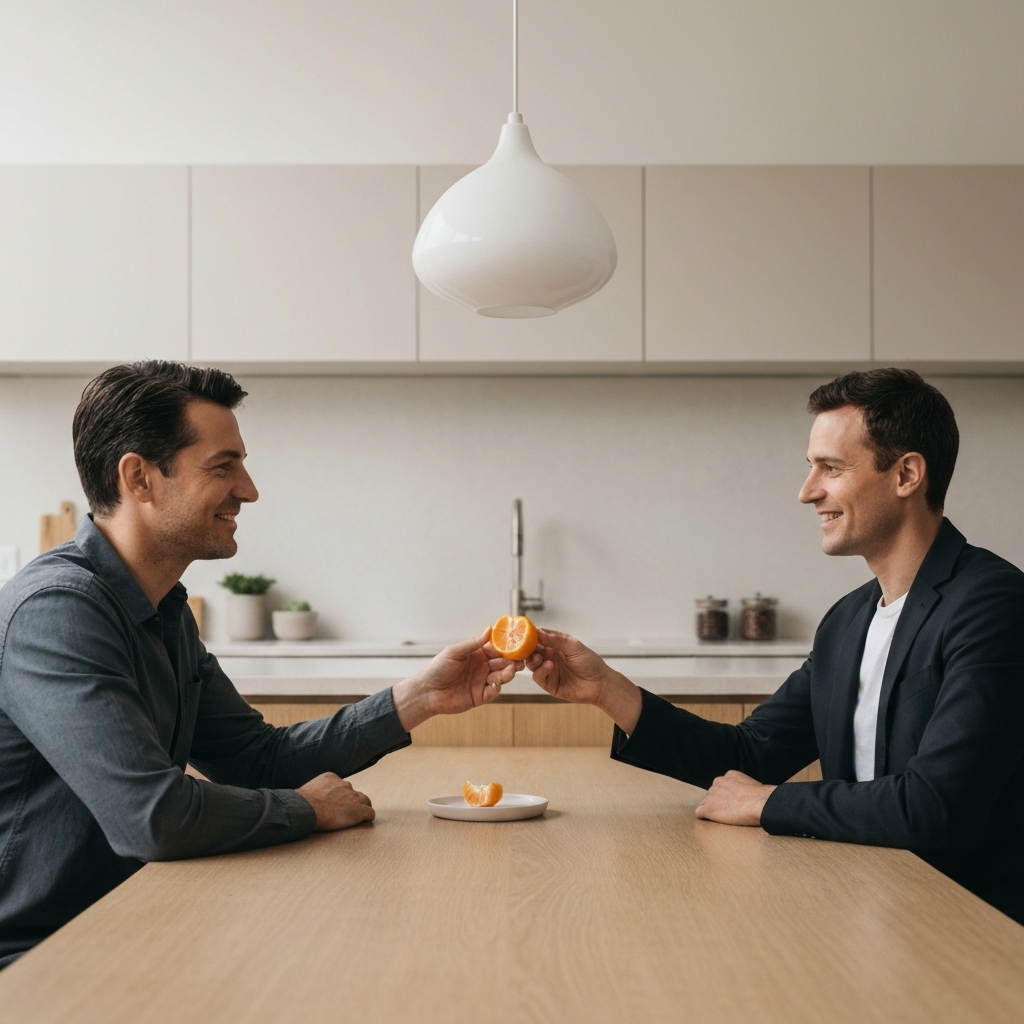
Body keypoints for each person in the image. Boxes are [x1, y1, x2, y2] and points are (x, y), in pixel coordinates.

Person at [0, 361, 523, 968]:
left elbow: (257, 760)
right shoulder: (56, 614)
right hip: (36, 962)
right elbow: (152, 817)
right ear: (139, 478)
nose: (248, 490)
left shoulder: (163, 609)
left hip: (128, 926)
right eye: (223, 466)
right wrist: (307, 808)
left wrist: (418, 698)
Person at [525, 368, 1024, 924]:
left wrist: (766, 802)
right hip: (867, 899)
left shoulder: (994, 605)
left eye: (831, 468)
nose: (808, 491)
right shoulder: (847, 620)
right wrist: (607, 690)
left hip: (970, 925)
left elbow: (934, 807)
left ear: (906, 474)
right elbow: (751, 754)